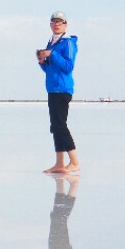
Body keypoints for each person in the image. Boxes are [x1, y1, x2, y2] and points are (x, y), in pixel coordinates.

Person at [37, 11, 81, 174]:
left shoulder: (68, 43)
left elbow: (68, 66)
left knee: (60, 126)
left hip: (63, 89)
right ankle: (59, 163)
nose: (56, 24)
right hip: (52, 89)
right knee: (55, 126)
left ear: (65, 25)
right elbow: (50, 69)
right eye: (54, 21)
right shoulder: (51, 42)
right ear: (50, 24)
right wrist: (42, 61)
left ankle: (74, 162)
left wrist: (52, 54)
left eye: (60, 22)